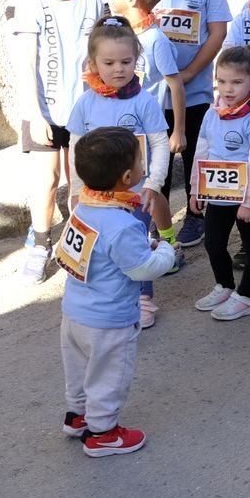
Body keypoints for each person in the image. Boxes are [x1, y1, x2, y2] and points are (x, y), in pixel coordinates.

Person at [57, 127, 178, 457]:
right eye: (141, 161)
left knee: (80, 369)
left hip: (74, 313)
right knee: (109, 375)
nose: (143, 166)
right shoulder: (122, 223)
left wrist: (143, 247)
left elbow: (73, 255)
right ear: (128, 176)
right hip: (110, 320)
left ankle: (78, 415)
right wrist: (166, 249)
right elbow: (143, 269)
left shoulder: (82, 209)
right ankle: (103, 432)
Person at [12, 0, 109, 282]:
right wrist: (34, 114)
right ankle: (40, 244)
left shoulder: (93, 0)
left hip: (84, 111)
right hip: (44, 111)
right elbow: (25, 61)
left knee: (81, 183)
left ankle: (77, 246)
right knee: (47, 180)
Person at [63, 18, 174, 327]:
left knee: (135, 239)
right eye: (108, 62)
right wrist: (75, 189)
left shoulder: (144, 101)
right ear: (93, 63)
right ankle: (101, 296)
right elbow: (75, 146)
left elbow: (160, 143)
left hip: (134, 194)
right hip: (94, 195)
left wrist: (153, 183)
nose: (118, 69)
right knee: (101, 243)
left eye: (126, 61)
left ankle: (142, 299)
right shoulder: (85, 103)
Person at [153, 0, 232, 248]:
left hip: (196, 91)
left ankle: (196, 217)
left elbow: (217, 33)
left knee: (197, 156)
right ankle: (160, 220)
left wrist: (189, 73)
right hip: (155, 95)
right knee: (160, 163)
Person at [189, 46, 250, 320]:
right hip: (216, 195)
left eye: (236, 82)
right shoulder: (212, 113)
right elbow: (200, 152)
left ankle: (245, 295)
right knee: (213, 243)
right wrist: (195, 189)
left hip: (246, 199)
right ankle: (225, 285)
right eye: (222, 81)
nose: (227, 89)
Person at [107, 0, 185, 219]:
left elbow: (175, 84)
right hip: (120, 122)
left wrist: (178, 131)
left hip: (147, 126)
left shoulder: (155, 40)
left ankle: (168, 240)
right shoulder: (120, 33)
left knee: (151, 185)